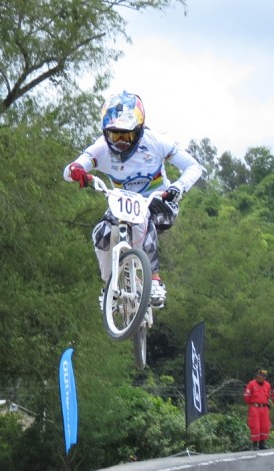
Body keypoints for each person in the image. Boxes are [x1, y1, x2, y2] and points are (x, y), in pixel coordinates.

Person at [63, 90, 203, 310]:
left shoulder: (156, 142)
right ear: (105, 133)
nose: (120, 143)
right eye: (114, 135)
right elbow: (70, 169)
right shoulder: (101, 148)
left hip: (159, 203)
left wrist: (178, 187)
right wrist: (77, 171)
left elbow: (194, 167)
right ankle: (110, 285)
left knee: (142, 217)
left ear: (138, 131)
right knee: (101, 235)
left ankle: (154, 280)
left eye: (126, 136)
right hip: (122, 203)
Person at [243, 369, 272, 450]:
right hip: (254, 407)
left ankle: (262, 444)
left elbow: (268, 396)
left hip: (264, 407)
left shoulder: (267, 385)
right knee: (255, 426)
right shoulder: (251, 384)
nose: (263, 377)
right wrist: (252, 404)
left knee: (265, 426)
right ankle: (255, 444)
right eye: (261, 375)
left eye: (264, 376)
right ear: (257, 375)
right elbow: (246, 397)